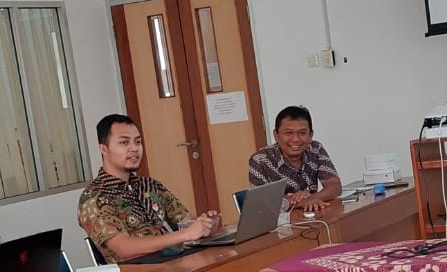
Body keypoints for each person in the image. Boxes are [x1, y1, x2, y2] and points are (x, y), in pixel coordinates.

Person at [78, 114, 220, 262]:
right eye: (124, 142)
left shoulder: (149, 186)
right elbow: (124, 248)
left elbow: (186, 221)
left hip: (175, 262)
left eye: (138, 142)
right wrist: (185, 235)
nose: (134, 148)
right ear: (104, 149)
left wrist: (205, 226)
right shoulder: (95, 197)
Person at [248, 106, 342, 213]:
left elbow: (334, 186)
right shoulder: (260, 160)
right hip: (278, 224)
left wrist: (311, 198)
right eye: (288, 133)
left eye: (302, 133)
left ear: (310, 135)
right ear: (276, 135)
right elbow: (262, 205)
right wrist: (300, 202)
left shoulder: (315, 149)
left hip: (310, 216)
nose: (296, 139)